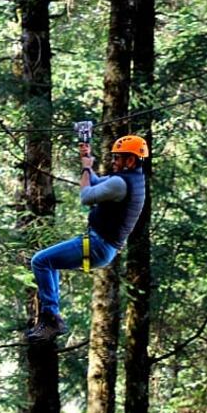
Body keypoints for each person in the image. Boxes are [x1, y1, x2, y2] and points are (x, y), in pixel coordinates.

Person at [25, 134, 148, 344]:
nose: (113, 161)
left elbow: (86, 196)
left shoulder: (121, 183)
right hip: (101, 247)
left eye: (118, 157)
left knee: (40, 261)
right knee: (49, 263)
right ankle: (51, 315)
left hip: (97, 245)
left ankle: (51, 317)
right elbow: (98, 183)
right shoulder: (132, 179)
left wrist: (85, 168)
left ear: (130, 160)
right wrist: (87, 161)